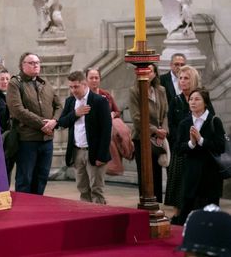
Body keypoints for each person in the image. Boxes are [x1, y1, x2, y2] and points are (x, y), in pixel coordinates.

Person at [7, 52, 61, 195]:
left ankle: (38, 211)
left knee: (41, 178)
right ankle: (23, 213)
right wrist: (43, 124)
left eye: (37, 62)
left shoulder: (44, 83)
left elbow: (59, 106)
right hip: (27, 140)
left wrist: (54, 121)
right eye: (31, 62)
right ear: (22, 65)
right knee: (25, 179)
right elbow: (18, 110)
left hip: (47, 141)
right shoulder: (15, 83)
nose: (35, 65)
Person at [57, 71, 112, 204]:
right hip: (77, 151)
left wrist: (102, 155)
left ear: (84, 84)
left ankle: (100, 219)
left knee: (96, 189)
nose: (73, 90)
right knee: (82, 188)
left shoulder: (99, 101)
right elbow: (62, 122)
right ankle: (86, 219)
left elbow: (106, 130)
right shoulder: (70, 101)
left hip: (94, 151)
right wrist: (76, 114)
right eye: (71, 87)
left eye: (76, 87)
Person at [175, 89, 226, 225]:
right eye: (191, 99)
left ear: (205, 103)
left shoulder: (214, 121)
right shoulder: (185, 123)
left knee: (210, 213)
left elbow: (220, 147)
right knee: (187, 209)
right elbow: (178, 149)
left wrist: (201, 140)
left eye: (197, 99)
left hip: (210, 174)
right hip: (191, 173)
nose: (193, 102)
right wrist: (191, 143)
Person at [129, 63, 168, 203]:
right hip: (142, 137)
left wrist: (163, 130)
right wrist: (155, 131)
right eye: (145, 70)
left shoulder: (161, 90)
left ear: (155, 73)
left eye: (150, 70)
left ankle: (157, 202)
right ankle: (145, 200)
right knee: (145, 171)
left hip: (159, 137)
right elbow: (136, 117)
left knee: (157, 171)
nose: (148, 73)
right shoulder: (135, 91)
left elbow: (165, 113)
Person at [165, 65, 200, 220]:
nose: (183, 81)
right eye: (180, 78)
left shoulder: (200, 98)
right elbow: (171, 125)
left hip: (198, 149)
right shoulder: (175, 100)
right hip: (180, 148)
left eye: (186, 78)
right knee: (178, 185)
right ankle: (178, 215)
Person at [85, 67, 133, 176]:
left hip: (109, 124)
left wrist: (112, 114)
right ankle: (114, 165)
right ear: (86, 80)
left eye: (96, 78)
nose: (94, 80)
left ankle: (127, 152)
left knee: (118, 130)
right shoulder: (84, 96)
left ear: (100, 79)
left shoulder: (105, 94)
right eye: (91, 78)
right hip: (93, 130)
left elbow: (117, 111)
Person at [0, 64, 14, 179]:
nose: (5, 82)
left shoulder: (13, 97)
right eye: (2, 79)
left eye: (7, 79)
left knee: (9, 168)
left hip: (12, 139)